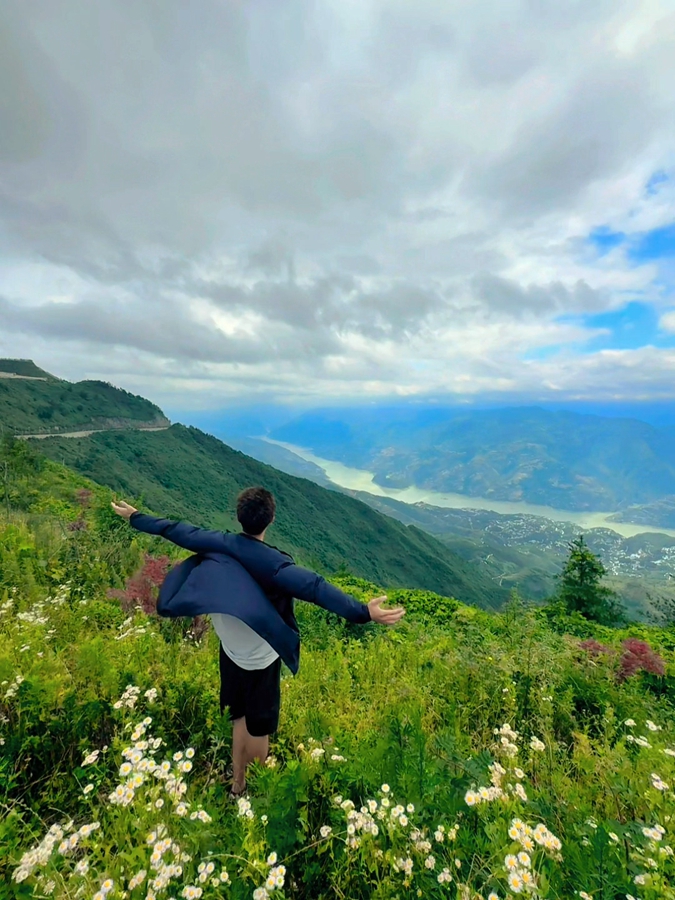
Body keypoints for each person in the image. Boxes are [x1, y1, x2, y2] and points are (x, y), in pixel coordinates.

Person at [111, 487, 405, 797]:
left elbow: (176, 530)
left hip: (230, 652)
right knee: (258, 727)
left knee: (239, 716)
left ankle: (237, 782)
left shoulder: (218, 543)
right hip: (261, 659)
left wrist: (136, 517)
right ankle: (253, 789)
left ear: (239, 517)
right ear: (271, 519)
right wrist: (363, 612)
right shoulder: (275, 566)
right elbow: (316, 588)